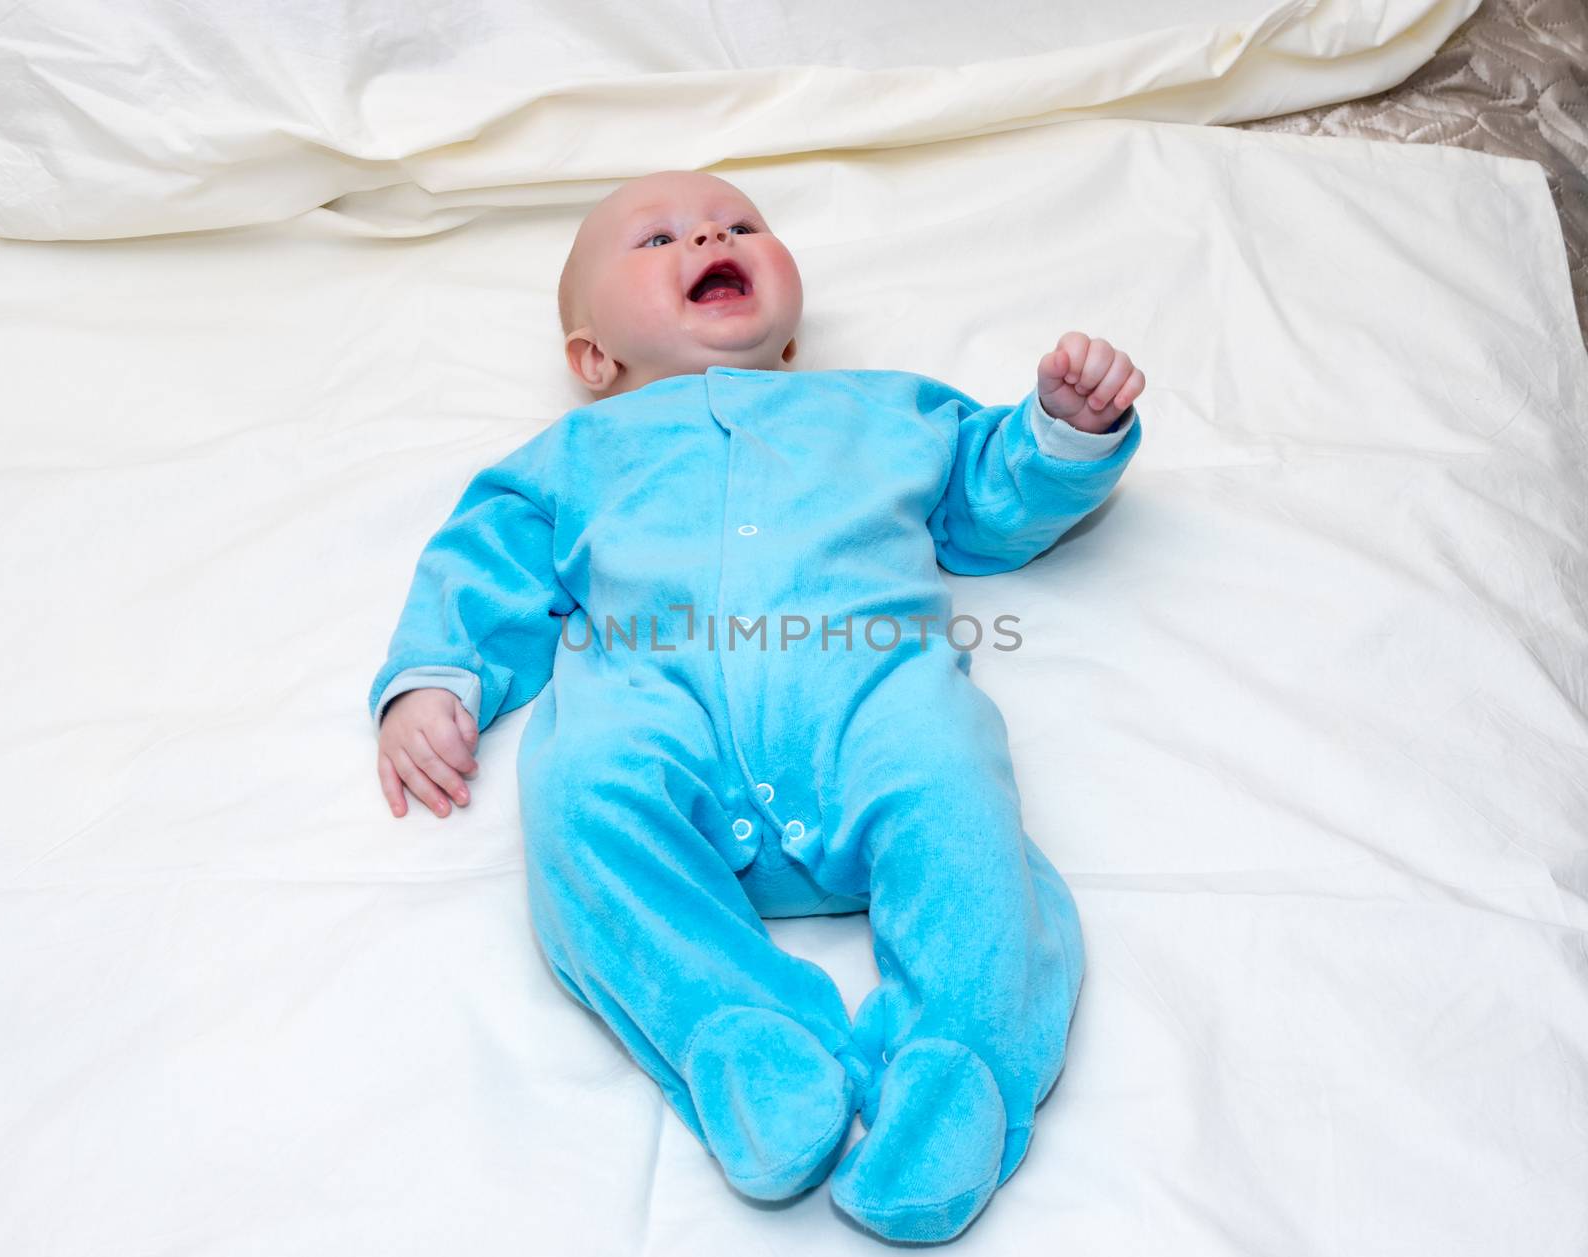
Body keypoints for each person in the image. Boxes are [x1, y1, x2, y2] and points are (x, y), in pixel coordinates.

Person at [369, 169, 1145, 1242]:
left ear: (787, 326)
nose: (708, 235)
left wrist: (1059, 434)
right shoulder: (570, 456)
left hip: (866, 697)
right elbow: (482, 566)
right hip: (654, 698)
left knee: (959, 798)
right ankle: (741, 1037)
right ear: (595, 359)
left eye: (741, 225)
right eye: (656, 240)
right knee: (581, 796)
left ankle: (957, 1065)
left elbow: (987, 504)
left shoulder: (885, 407)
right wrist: (432, 679)